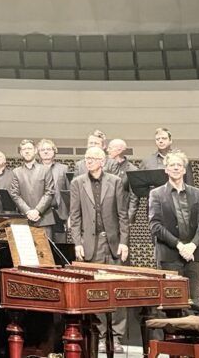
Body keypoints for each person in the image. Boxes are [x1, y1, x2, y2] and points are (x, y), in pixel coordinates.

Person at [68, 147, 130, 353]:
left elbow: (122, 215)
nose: (89, 161)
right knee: (96, 292)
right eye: (87, 158)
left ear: (103, 161)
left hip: (112, 243)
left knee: (117, 291)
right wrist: (77, 242)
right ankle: (101, 335)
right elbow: (74, 217)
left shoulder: (115, 181)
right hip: (89, 245)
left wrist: (124, 242)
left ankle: (117, 337)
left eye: (93, 158)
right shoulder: (77, 182)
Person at [147, 151, 199, 300]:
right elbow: (155, 225)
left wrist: (192, 245)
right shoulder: (156, 194)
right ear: (166, 169)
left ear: (184, 169)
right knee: (173, 302)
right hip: (169, 255)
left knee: (192, 301)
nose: (175, 168)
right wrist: (180, 246)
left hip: (193, 254)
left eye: (179, 165)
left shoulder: (197, 193)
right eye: (172, 165)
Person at [8, 139, 57, 234]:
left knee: (46, 249)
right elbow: (15, 194)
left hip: (44, 219)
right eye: (24, 149)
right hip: (24, 220)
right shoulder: (16, 172)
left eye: (29, 148)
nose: (27, 151)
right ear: (21, 153)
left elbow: (49, 192)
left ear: (35, 151)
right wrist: (28, 211)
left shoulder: (45, 170)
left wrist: (37, 211)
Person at [37, 139, 70, 235]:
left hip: (60, 213)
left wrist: (70, 215)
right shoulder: (35, 170)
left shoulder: (64, 168)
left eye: (48, 149)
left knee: (61, 247)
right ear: (38, 153)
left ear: (54, 151)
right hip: (42, 214)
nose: (46, 151)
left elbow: (68, 193)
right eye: (42, 150)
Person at [106, 138, 139, 223]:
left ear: (119, 150)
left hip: (122, 215)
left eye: (110, 148)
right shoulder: (103, 166)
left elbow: (134, 197)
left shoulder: (132, 169)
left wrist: (130, 217)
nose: (107, 150)